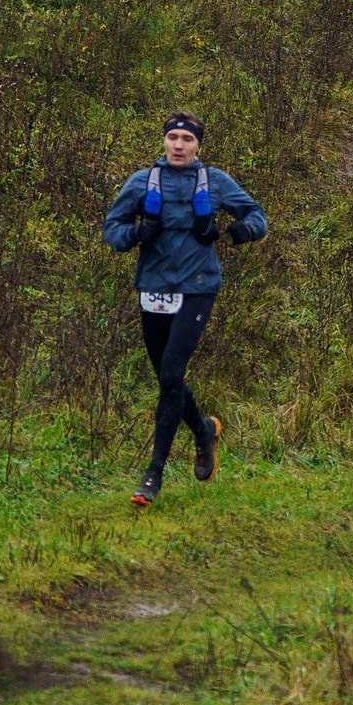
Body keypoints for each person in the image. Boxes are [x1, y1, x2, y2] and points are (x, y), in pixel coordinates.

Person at [103, 113, 267, 506]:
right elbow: (112, 229)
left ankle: (153, 474)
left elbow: (256, 216)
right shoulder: (142, 182)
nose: (178, 145)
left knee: (173, 371)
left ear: (198, 146)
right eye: (172, 137)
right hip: (154, 288)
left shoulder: (215, 182)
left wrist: (240, 232)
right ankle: (203, 429)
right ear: (163, 142)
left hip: (197, 288)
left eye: (186, 139)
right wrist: (134, 234)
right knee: (166, 378)